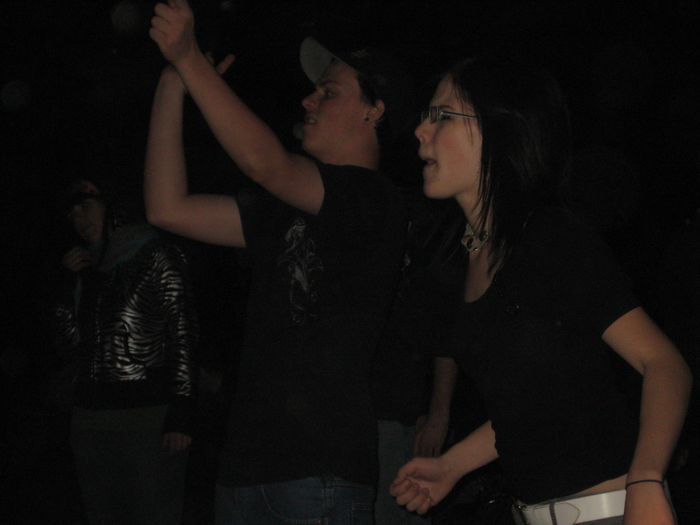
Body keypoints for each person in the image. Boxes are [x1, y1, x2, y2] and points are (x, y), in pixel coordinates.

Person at [389, 58, 692, 525]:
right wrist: (453, 465)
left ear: (501, 130)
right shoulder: (465, 257)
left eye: (442, 115)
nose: (420, 130)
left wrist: (646, 482)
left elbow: (664, 365)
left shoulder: (551, 238)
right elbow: (532, 405)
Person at [145, 1, 412, 523]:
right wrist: (173, 82)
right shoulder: (281, 208)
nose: (308, 99)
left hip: (320, 475)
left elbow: (265, 164)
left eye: (329, 92)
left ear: (373, 111)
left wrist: (191, 60)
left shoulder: (375, 201)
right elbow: (166, 208)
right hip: (244, 471)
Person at [53, 179, 197, 525]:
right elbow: (72, 346)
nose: (79, 218)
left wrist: (181, 415)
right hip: (90, 418)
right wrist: (67, 287)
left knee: (153, 514)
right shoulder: (87, 265)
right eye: (72, 213)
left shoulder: (156, 253)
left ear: (112, 206)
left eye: (86, 206)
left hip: (146, 417)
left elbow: (183, 333)